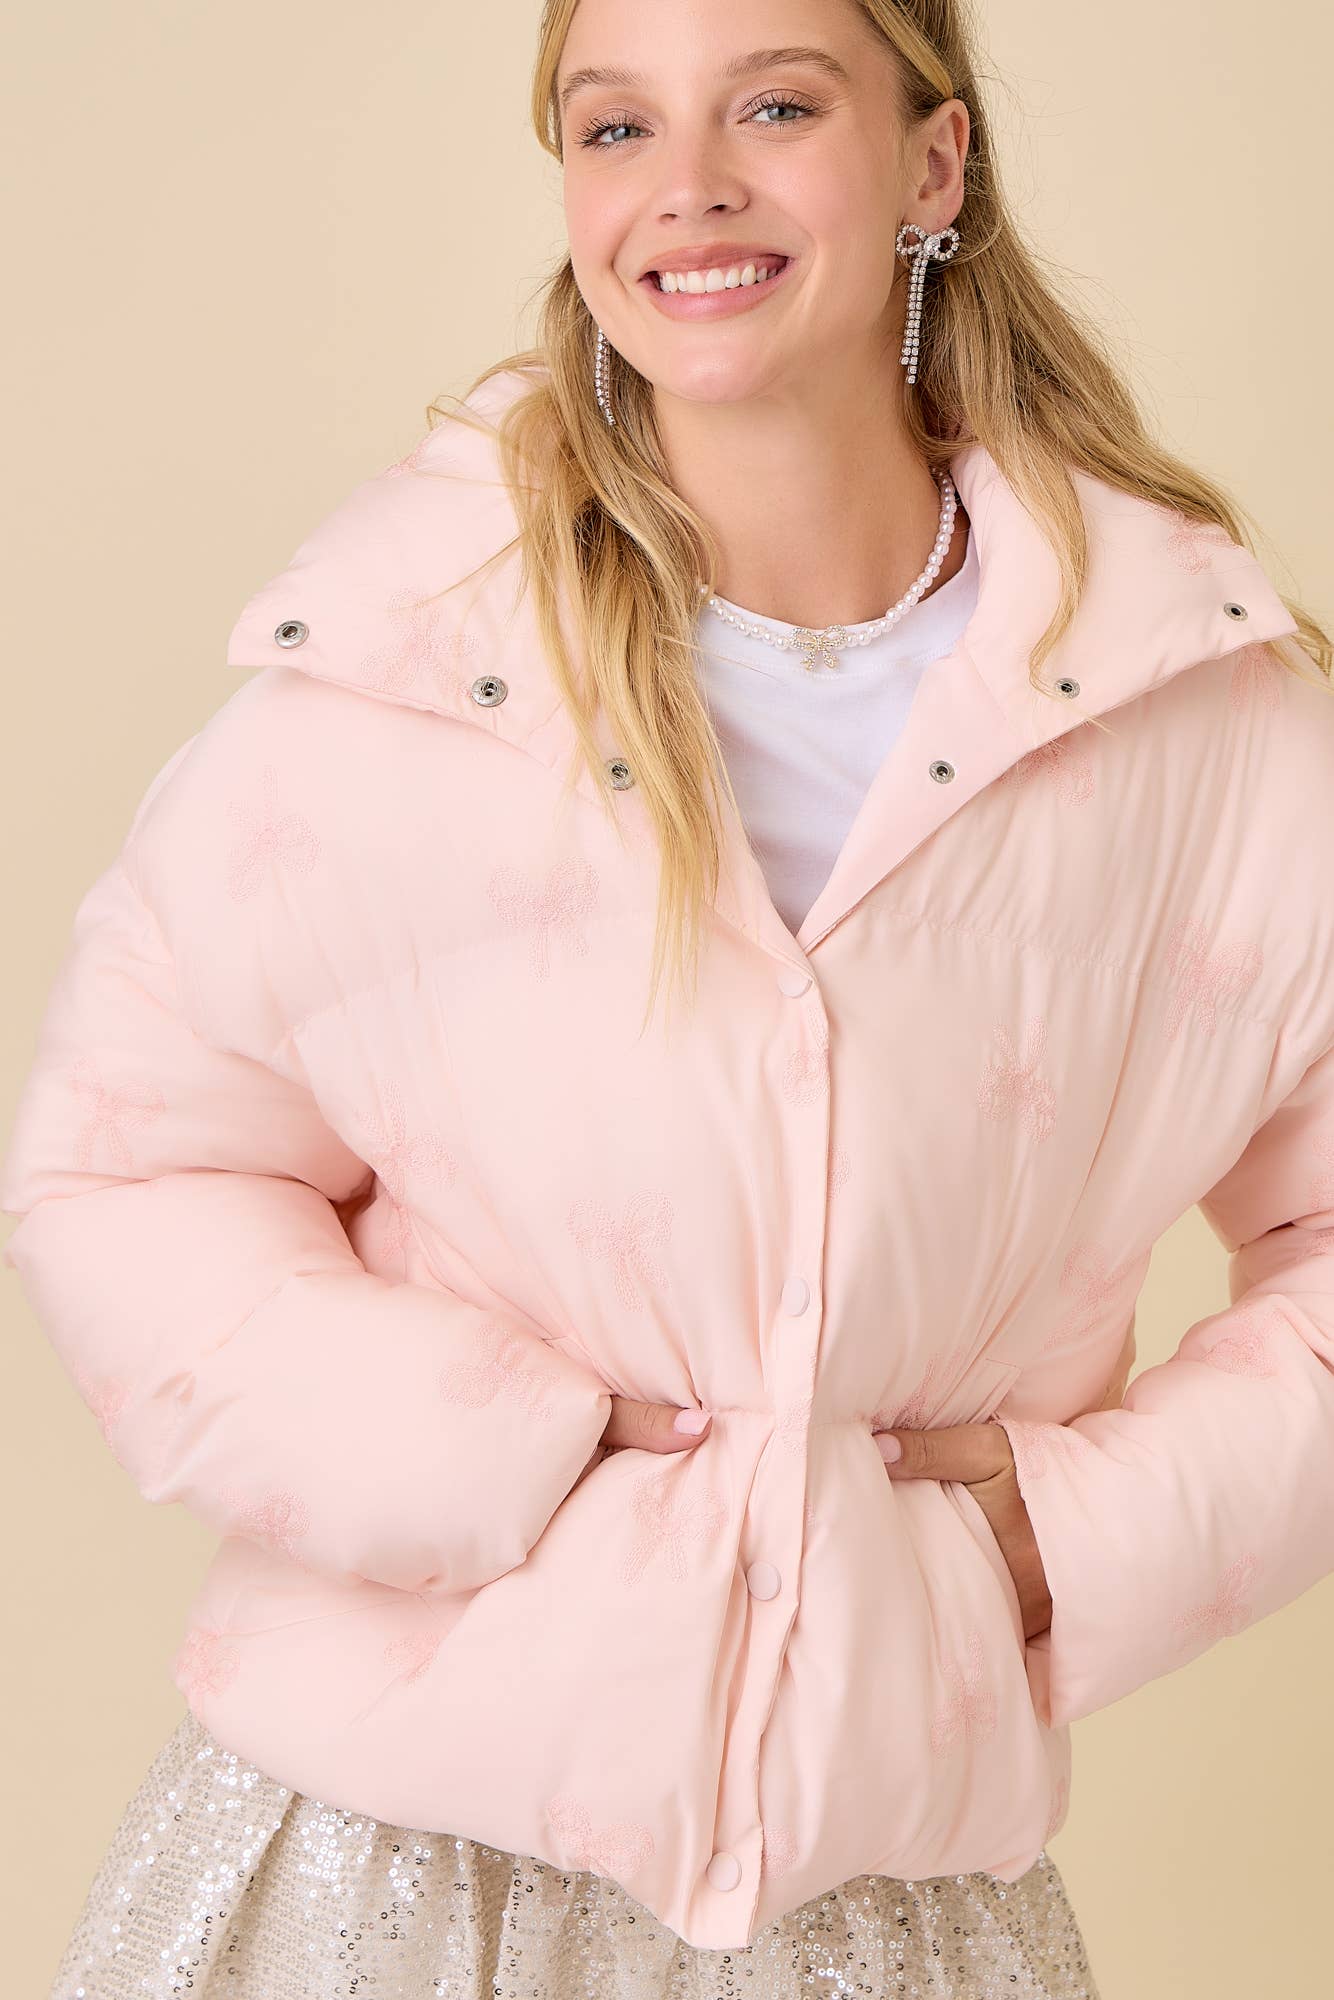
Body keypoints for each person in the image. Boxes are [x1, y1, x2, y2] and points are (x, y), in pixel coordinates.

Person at [6, 0, 1332, 1994]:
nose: (687, 189)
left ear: (933, 165)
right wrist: (497, 1456)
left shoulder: (1196, 722)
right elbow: (123, 1167)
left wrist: (1082, 1531)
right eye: (614, 126)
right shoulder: (412, 659)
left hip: (885, 1891)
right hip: (369, 1869)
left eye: (774, 107)